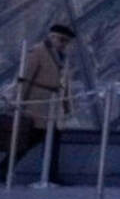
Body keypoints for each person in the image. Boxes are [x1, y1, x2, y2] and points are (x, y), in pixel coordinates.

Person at [5, 23, 73, 182]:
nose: (64, 44)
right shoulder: (38, 52)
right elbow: (26, 77)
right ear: (53, 37)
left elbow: (65, 84)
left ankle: (51, 176)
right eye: (62, 40)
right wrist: (19, 100)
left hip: (53, 106)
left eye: (66, 41)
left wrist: (67, 106)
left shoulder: (63, 57)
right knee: (28, 141)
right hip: (38, 105)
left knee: (52, 141)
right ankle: (4, 169)